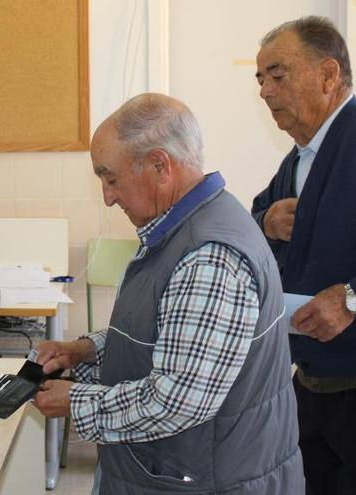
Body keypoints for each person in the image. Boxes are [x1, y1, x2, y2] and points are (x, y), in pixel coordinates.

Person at [31, 93, 303, 494]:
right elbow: (170, 334)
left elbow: (178, 400)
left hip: (209, 479)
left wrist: (77, 401)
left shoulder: (209, 257)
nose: (107, 196)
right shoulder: (186, 226)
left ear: (160, 165)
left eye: (111, 178)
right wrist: (85, 350)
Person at [252, 16, 356, 493]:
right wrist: (267, 220)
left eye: (278, 75)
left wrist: (355, 298)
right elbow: (256, 217)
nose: (265, 92)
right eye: (260, 80)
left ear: (329, 75)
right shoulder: (299, 157)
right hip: (314, 377)